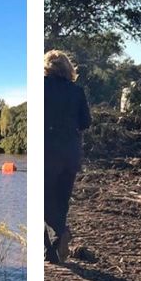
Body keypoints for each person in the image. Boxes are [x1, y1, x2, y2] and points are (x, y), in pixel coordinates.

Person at [44, 50, 91, 264]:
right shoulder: (77, 91)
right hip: (70, 154)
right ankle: (52, 251)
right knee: (62, 202)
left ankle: (57, 238)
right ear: (68, 68)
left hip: (46, 153)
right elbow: (86, 122)